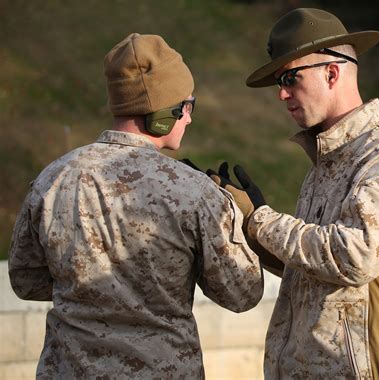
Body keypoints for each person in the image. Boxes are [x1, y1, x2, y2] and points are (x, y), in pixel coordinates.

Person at [8, 33, 263, 379]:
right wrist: (237, 218)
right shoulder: (195, 192)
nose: (189, 118)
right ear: (163, 115)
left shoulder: (53, 179)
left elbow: (25, 280)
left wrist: (93, 296)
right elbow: (242, 293)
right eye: (188, 107)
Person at [211, 8, 379, 379]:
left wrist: (260, 219)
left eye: (290, 78)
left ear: (332, 73)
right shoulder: (326, 165)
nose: (282, 93)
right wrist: (240, 221)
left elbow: (354, 255)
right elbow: (312, 269)